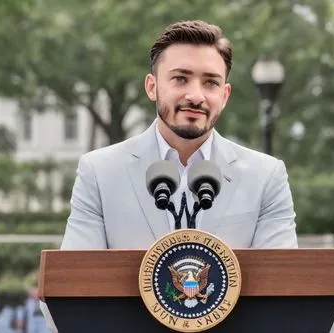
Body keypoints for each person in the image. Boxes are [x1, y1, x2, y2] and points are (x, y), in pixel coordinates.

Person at [60, 20, 298, 250]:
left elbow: (282, 281)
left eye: (210, 83)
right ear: (152, 87)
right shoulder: (99, 172)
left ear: (225, 96)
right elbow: (76, 281)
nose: (196, 95)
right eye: (180, 79)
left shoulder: (266, 177)